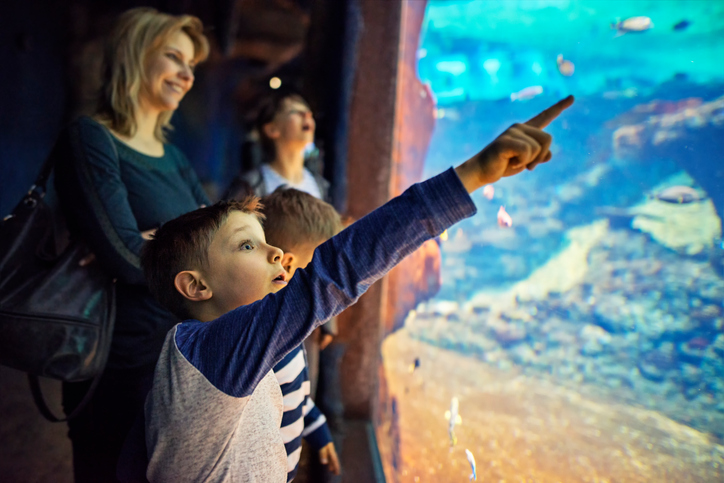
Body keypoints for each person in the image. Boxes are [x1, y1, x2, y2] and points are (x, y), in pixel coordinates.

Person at [138, 95, 574, 482]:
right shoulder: (209, 352)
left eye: (269, 241)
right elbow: (339, 269)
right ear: (196, 286)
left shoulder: (241, 354)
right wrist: (473, 174)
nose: (279, 255)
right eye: (248, 245)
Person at [52, 8, 210, 482]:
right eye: (173, 57)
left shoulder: (176, 157)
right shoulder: (92, 138)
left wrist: (153, 241)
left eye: (192, 66)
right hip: (115, 363)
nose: (186, 75)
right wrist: (174, 244)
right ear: (135, 56)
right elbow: (126, 259)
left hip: (180, 355)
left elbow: (215, 242)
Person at [225, 91, 336, 394]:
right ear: (271, 129)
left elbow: (326, 249)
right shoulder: (251, 184)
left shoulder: (320, 185)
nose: (307, 117)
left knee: (302, 391)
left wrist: (330, 320)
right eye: (296, 112)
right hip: (263, 306)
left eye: (309, 113)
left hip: (310, 305)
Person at [261, 188, 344, 481]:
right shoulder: (263, 342)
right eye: (325, 266)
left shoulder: (290, 335)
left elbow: (294, 395)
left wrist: (319, 431)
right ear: (288, 265)